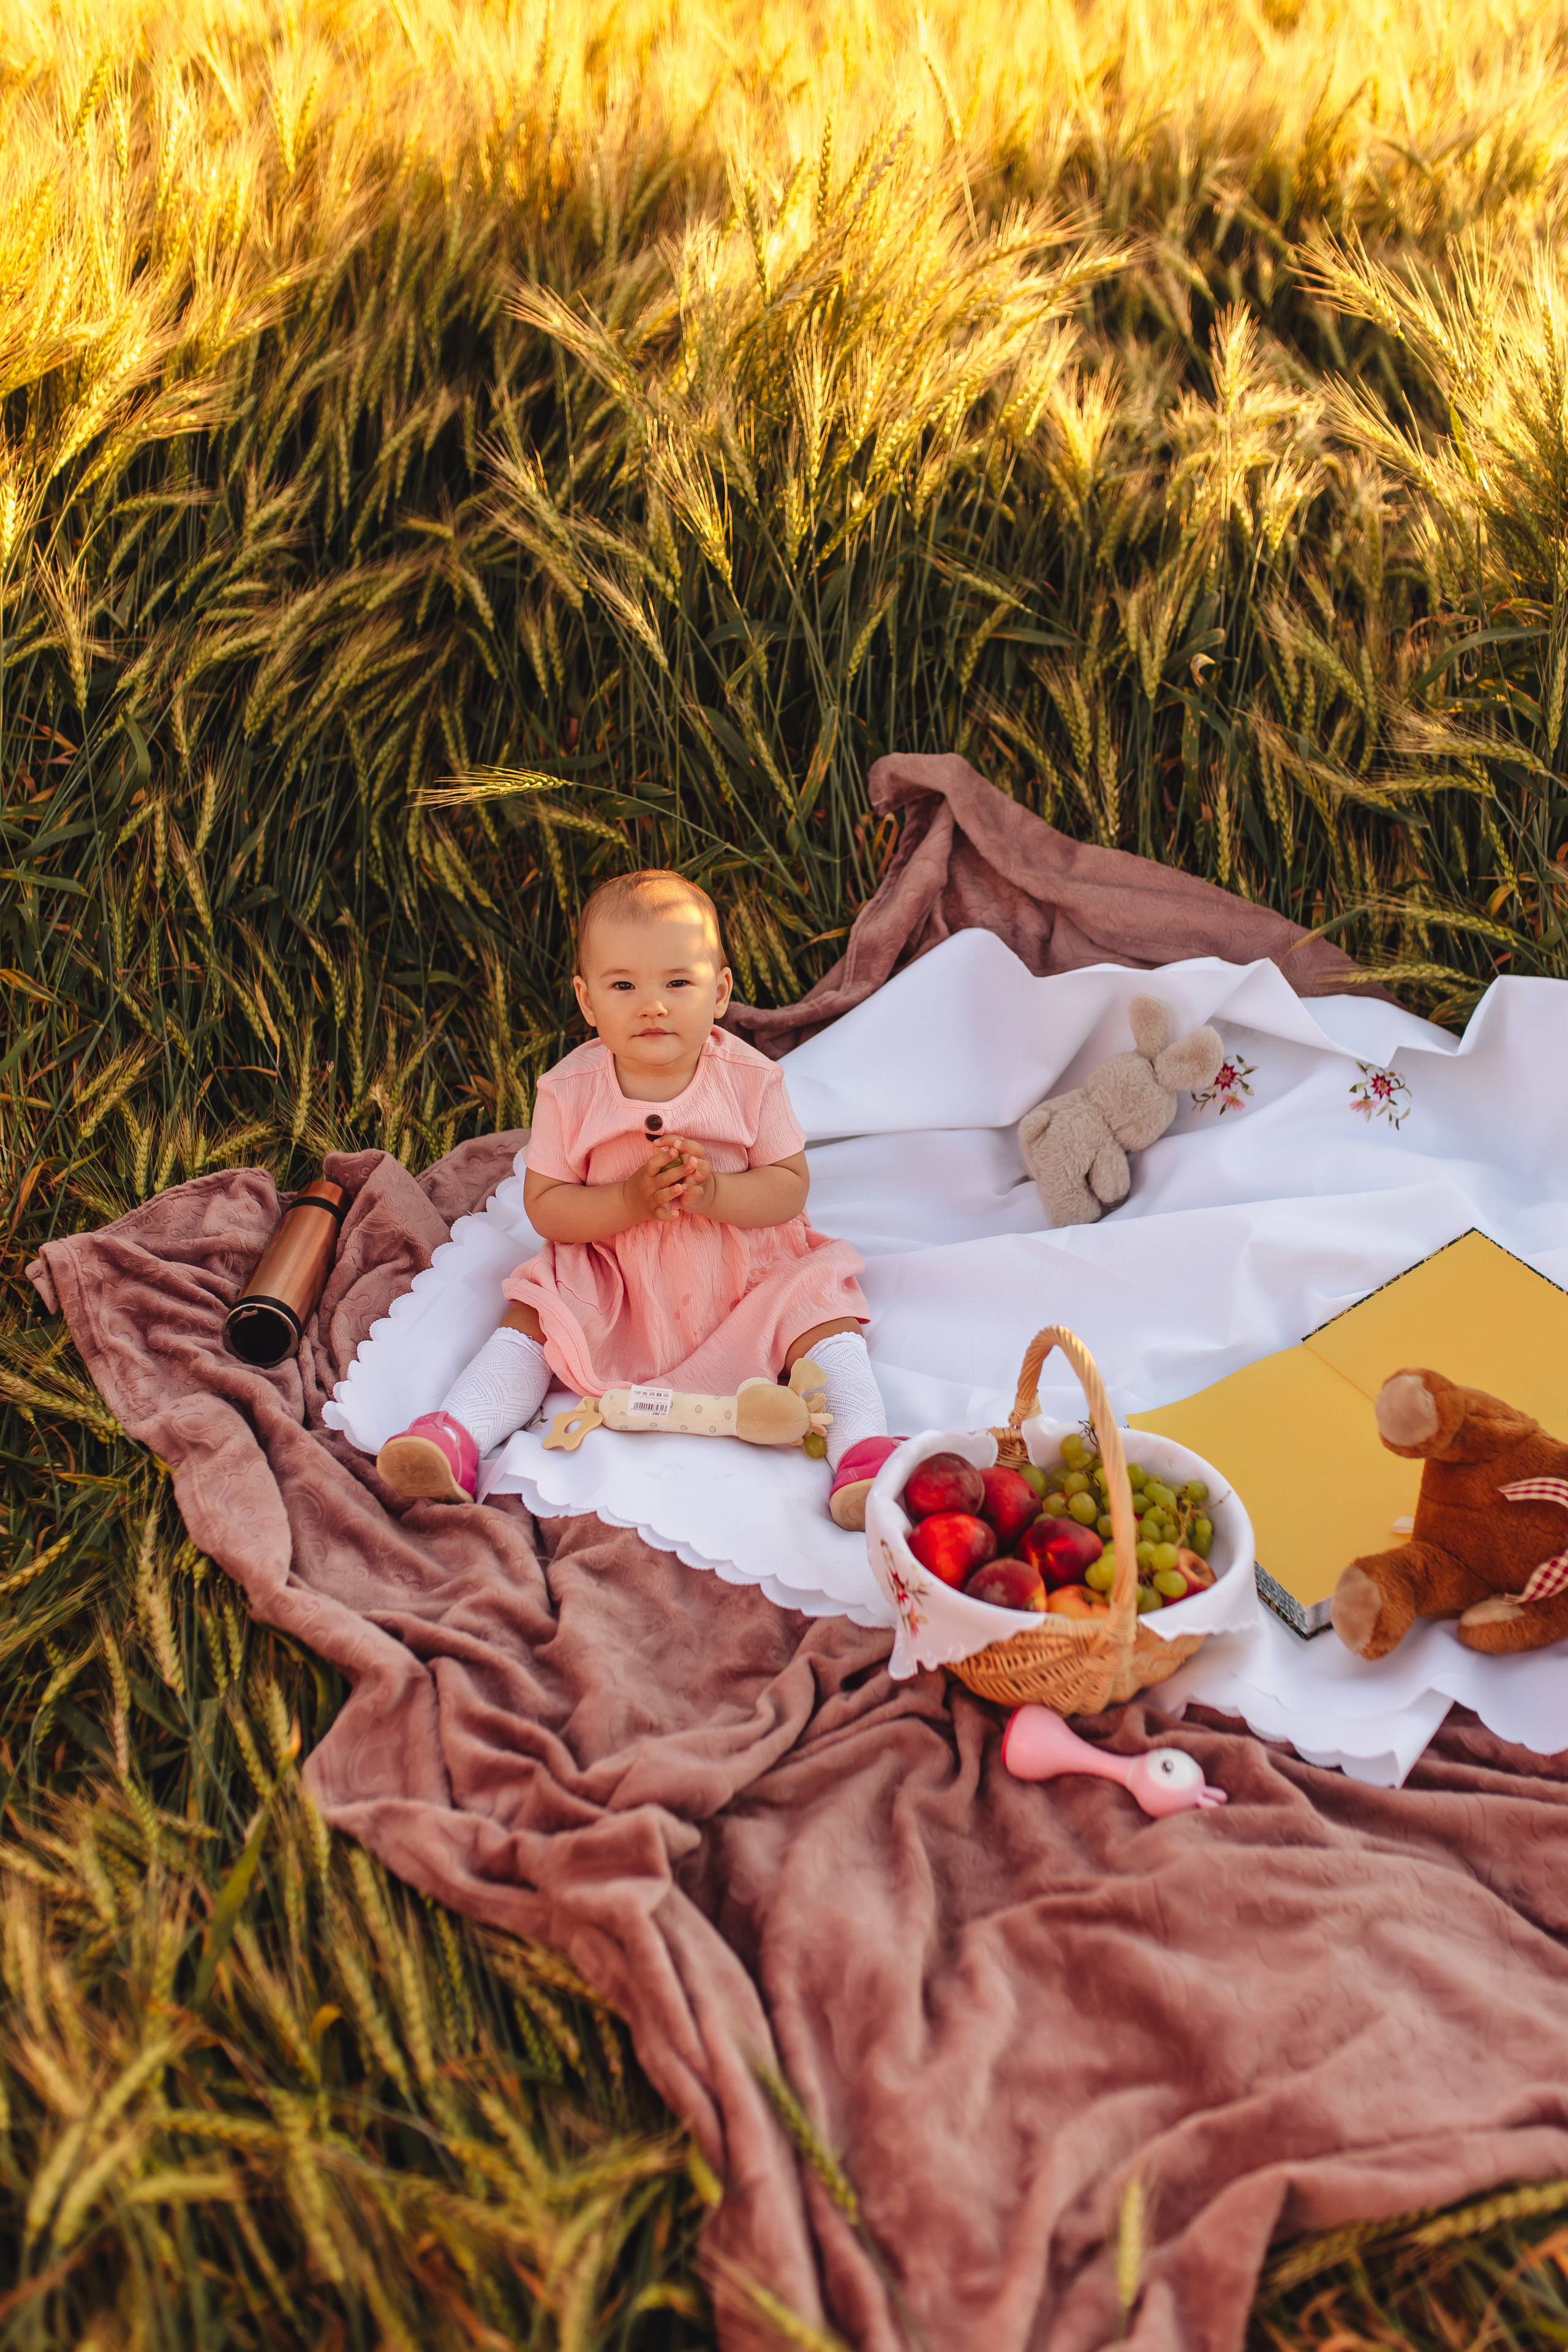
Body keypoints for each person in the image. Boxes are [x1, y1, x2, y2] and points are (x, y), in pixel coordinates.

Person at [376, 869, 896, 1525]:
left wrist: (715, 1192)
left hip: (744, 1269)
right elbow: (548, 1206)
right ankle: (458, 1433)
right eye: (623, 986)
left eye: (678, 983)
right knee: (537, 1313)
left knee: (822, 1312)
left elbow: (789, 1189)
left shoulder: (751, 1080)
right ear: (587, 1000)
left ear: (719, 992)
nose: (652, 1005)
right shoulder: (569, 1090)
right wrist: (626, 1202)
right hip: (617, 1273)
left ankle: (863, 1455)